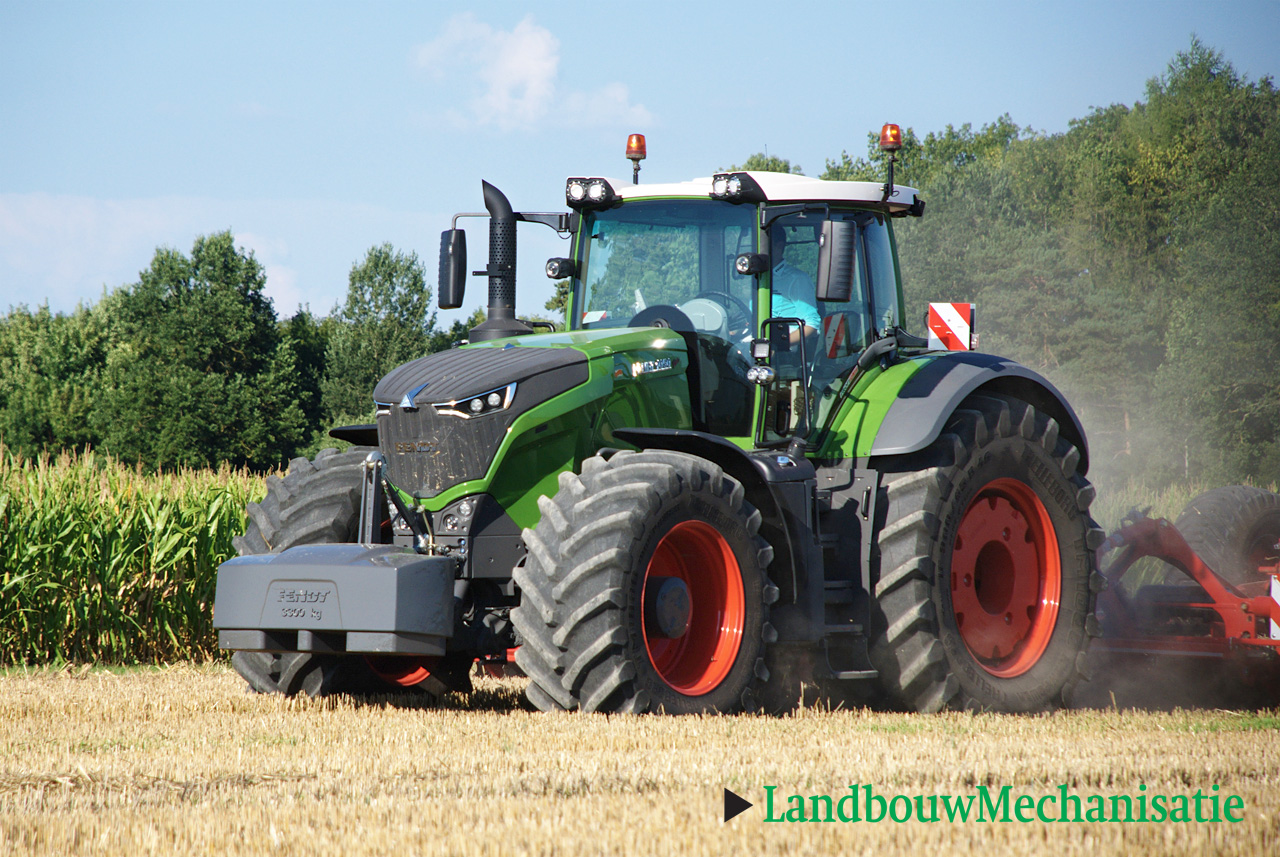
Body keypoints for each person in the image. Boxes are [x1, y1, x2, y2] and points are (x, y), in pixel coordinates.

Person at [769, 226, 820, 350]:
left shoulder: (796, 279)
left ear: (778, 247)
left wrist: (776, 346)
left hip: (782, 358)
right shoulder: (754, 280)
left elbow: (811, 324)